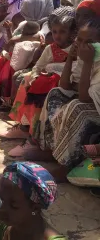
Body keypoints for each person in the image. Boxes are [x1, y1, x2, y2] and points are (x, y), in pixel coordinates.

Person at [27, 18, 100, 166]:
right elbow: (65, 85)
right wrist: (70, 59)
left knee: (77, 107)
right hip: (90, 101)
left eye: (89, 42)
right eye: (79, 40)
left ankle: (65, 163)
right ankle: (49, 147)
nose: (83, 45)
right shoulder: (84, 56)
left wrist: (87, 63)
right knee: (56, 93)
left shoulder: (91, 59)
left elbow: (85, 97)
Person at [5, 7, 76, 142]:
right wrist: (34, 77)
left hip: (64, 83)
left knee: (42, 89)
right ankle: (24, 125)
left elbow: (76, 69)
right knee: (28, 80)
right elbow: (38, 66)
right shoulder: (50, 48)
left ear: (71, 32)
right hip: (45, 81)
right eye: (54, 32)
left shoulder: (76, 49)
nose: (57, 35)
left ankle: (33, 131)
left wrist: (52, 69)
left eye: (62, 32)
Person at [0, 162, 65, 240]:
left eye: (13, 205)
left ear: (35, 208)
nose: (2, 208)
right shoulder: (0, 226)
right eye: (0, 198)